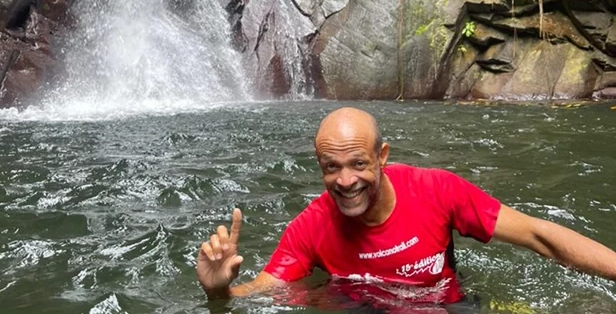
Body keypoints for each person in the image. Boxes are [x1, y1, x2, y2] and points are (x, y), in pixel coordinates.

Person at [196, 107, 616, 307]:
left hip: (449, 307)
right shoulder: (309, 227)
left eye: (358, 163)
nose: (345, 181)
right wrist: (219, 291)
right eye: (331, 168)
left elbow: (539, 236)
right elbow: (263, 292)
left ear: (382, 156)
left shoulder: (437, 190)